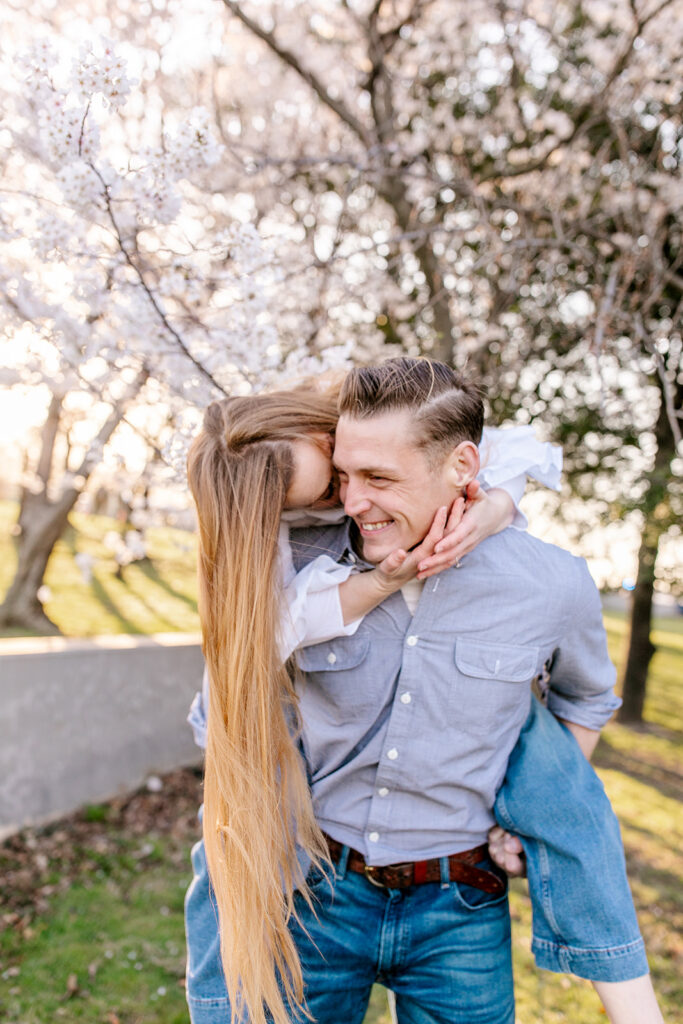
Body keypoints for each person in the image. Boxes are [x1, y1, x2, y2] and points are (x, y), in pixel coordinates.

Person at [185, 361, 662, 1024]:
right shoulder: (297, 573)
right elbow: (224, 706)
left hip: (458, 904)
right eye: (339, 483)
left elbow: (584, 698)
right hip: (314, 893)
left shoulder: (547, 582)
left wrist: (523, 817)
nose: (350, 504)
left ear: (463, 466)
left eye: (374, 478)